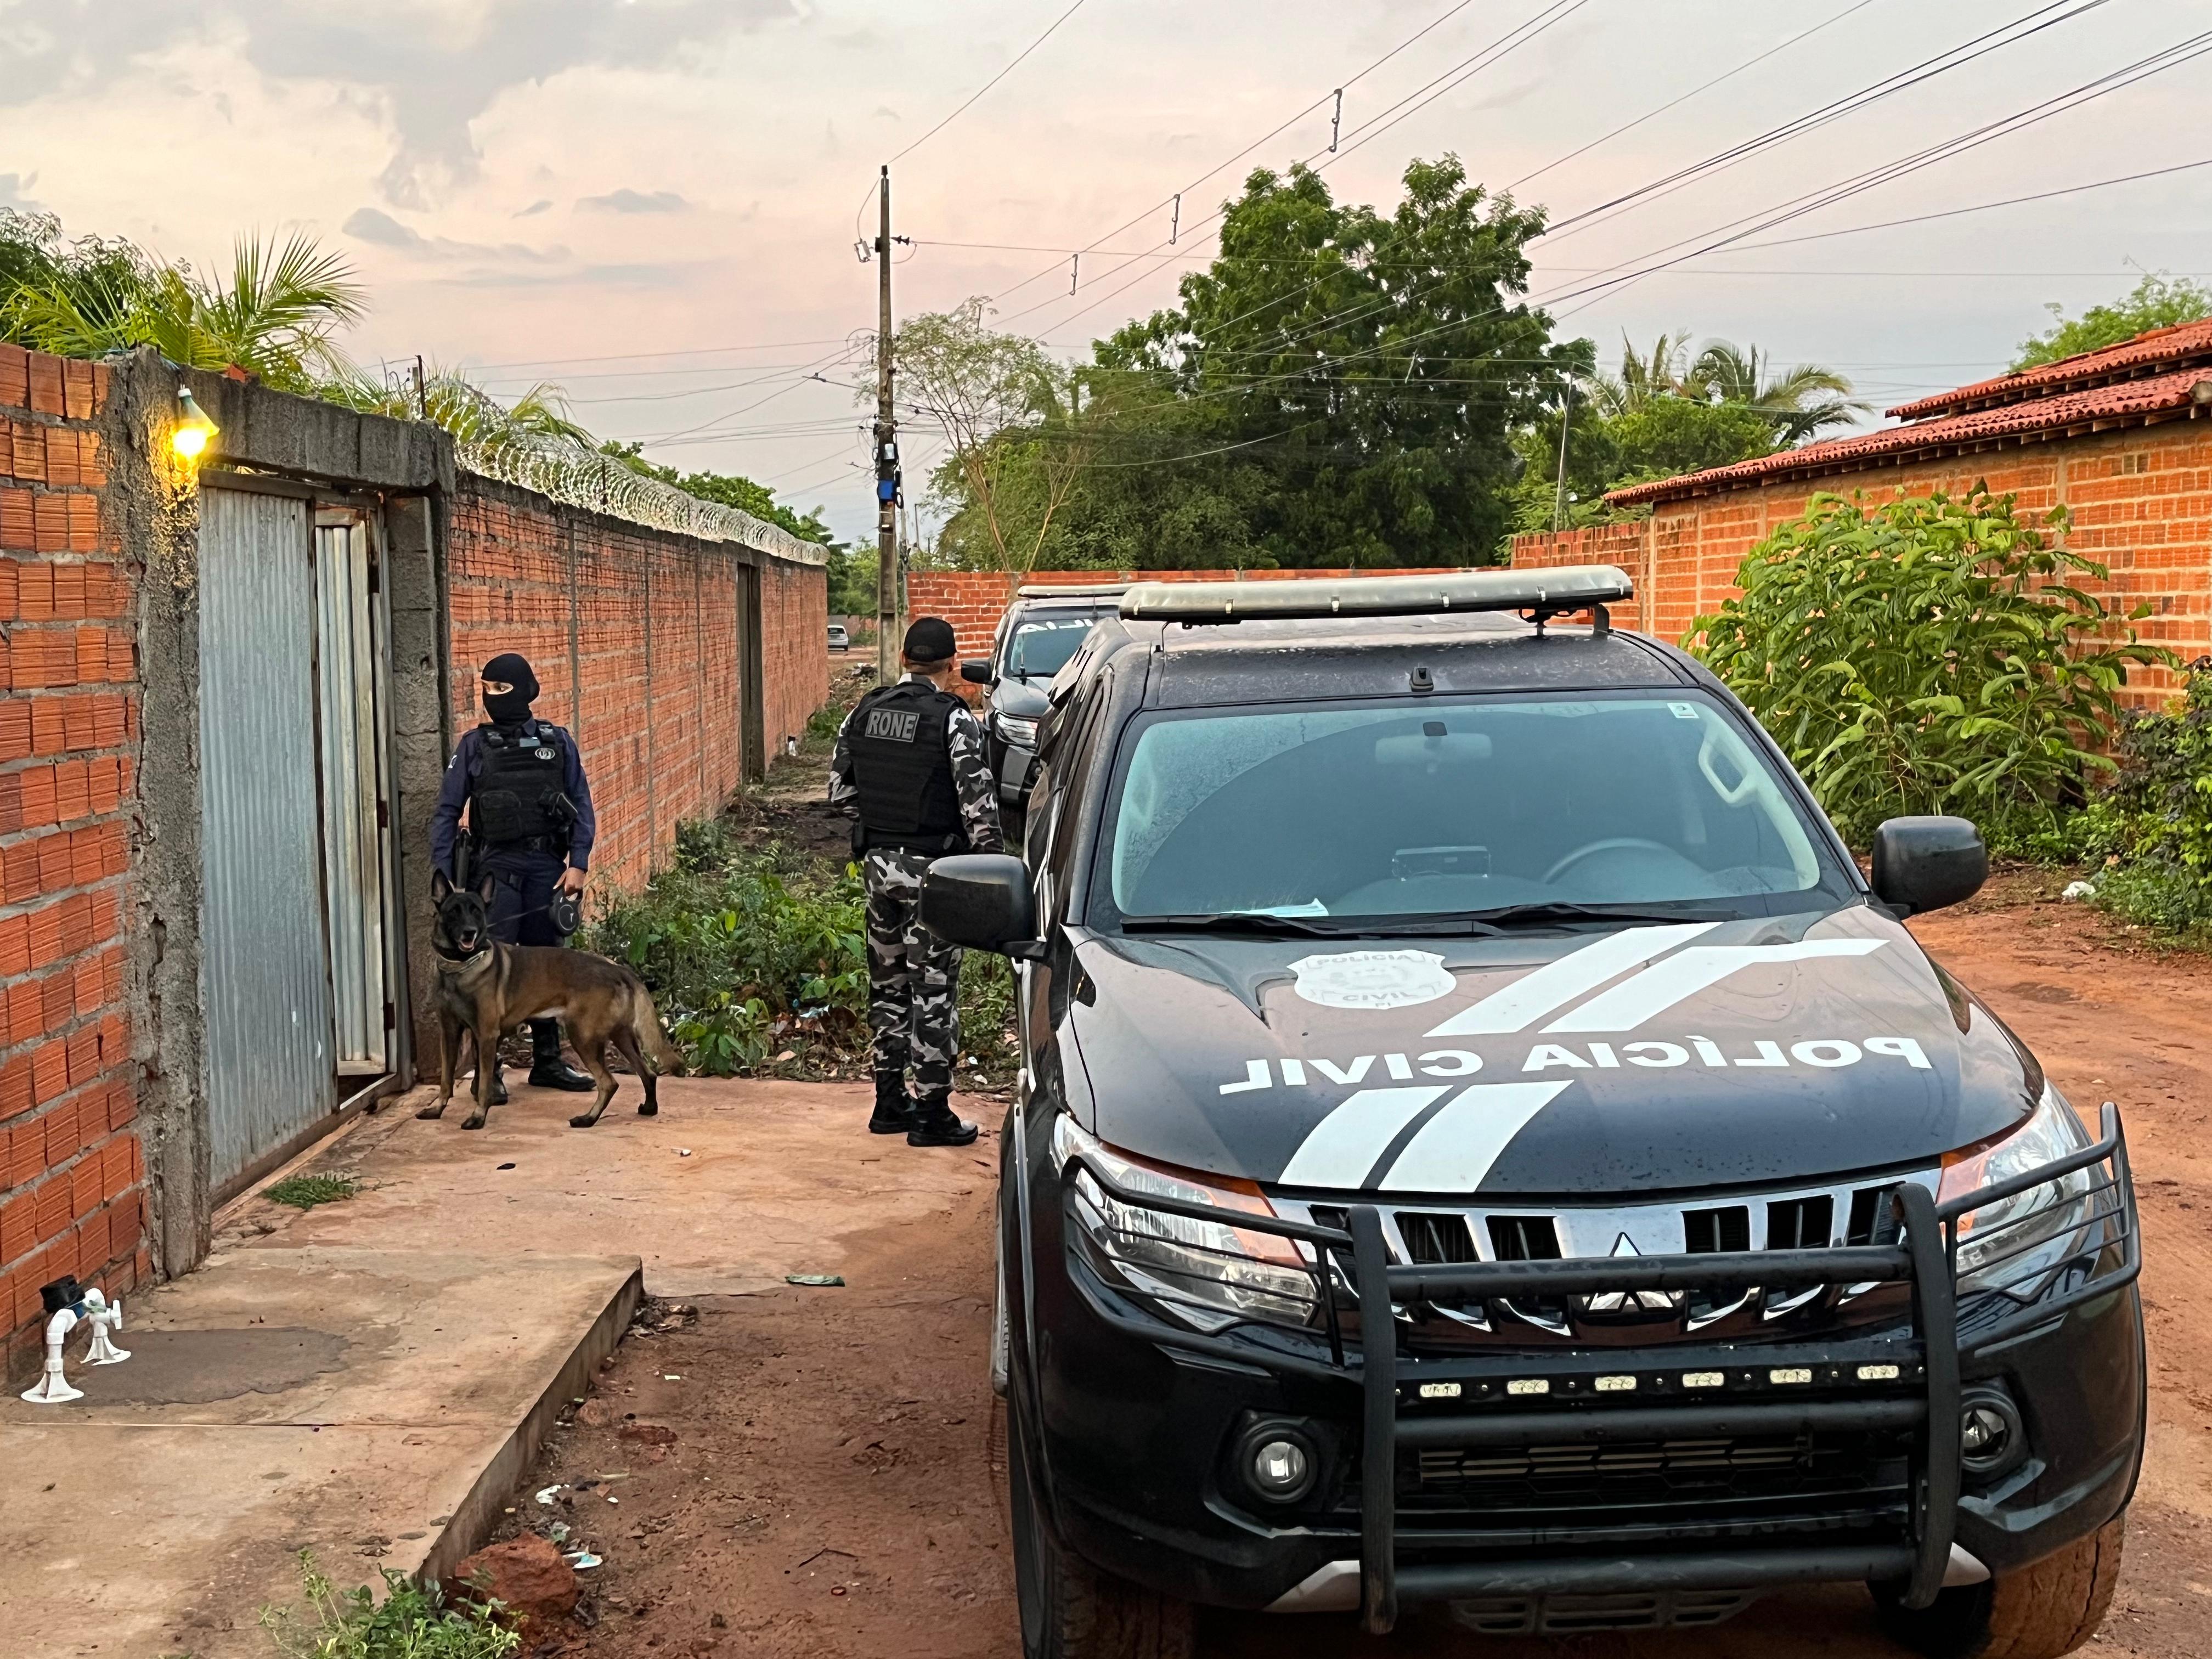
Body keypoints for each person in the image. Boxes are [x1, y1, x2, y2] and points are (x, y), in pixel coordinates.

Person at [829, 617, 1002, 1148]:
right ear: (954, 664)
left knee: (889, 986)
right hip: (936, 873)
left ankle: (888, 1102)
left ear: (905, 657)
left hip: (880, 871)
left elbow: (839, 794)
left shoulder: (863, 710)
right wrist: (992, 868)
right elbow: (978, 808)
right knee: (933, 992)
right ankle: (931, 1115)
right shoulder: (955, 720)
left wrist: (883, 830)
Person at [429, 652, 598, 1097]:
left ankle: (548, 1062)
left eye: (502, 689)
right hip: (496, 872)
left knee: (545, 967)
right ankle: (492, 1073)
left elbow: (581, 803)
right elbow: (448, 812)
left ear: (526, 691)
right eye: (486, 690)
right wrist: (447, 881)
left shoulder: (557, 742)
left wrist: (578, 863)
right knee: (489, 971)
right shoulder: (473, 747)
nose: (492, 698)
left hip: (547, 870)